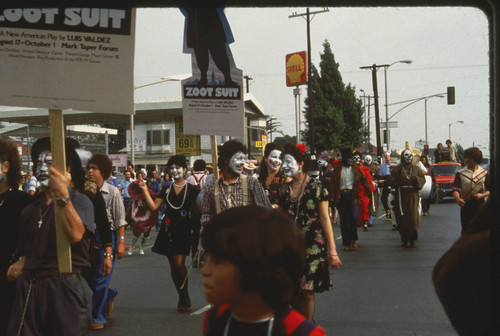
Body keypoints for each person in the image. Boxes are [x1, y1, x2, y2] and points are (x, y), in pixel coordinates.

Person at [7, 138, 94, 336]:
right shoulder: (29, 209)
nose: (42, 168)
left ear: (67, 170)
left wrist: (62, 195)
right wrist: (26, 261)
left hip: (66, 287)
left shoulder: (80, 202)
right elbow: (28, 250)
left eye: (49, 163)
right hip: (32, 287)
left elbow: (75, 235)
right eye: (38, 163)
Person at [201, 206, 327, 335]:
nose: (205, 270)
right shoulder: (215, 319)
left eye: (217, 262)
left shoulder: (301, 331)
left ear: (251, 267)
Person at [277, 143, 341, 321]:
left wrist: (333, 251)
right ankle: (298, 324)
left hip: (313, 244)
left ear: (301, 163)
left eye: (288, 162)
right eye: (283, 163)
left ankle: (307, 327)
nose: (285, 166)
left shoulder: (317, 186)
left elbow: (325, 218)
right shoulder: (284, 190)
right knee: (293, 290)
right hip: (290, 246)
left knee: (308, 290)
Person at [140, 155, 199, 312]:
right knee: (173, 265)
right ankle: (182, 297)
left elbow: (197, 211)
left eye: (177, 168)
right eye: (171, 168)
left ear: (184, 170)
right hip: (168, 230)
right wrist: (145, 190)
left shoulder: (192, 189)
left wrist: (197, 231)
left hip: (184, 229)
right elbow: (154, 207)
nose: (174, 171)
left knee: (179, 263)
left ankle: (185, 295)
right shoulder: (166, 189)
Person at [87, 153, 128, 330]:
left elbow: (120, 220)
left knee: (102, 277)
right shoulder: (84, 191)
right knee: (89, 278)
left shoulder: (112, 192)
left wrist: (120, 242)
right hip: (88, 239)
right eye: (89, 167)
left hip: (106, 239)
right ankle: (109, 295)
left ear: (103, 171)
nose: (90, 171)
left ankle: (98, 317)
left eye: (94, 168)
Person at [0, 139, 32, 335]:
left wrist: (25, 261)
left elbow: (39, 241)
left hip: (9, 280)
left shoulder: (24, 202)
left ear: (5, 166)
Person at [200, 140, 272, 227]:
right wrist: (210, 225)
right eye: (238, 159)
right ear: (226, 159)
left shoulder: (252, 183)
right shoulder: (211, 187)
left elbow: (265, 211)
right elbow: (205, 214)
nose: (242, 163)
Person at [329, 148, 371, 251]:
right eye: (346, 158)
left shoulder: (356, 168)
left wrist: (368, 189)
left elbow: (364, 180)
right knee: (343, 220)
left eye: (349, 158)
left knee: (353, 217)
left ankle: (354, 240)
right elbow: (332, 184)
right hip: (341, 196)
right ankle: (346, 243)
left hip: (353, 196)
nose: (348, 160)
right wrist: (332, 197)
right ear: (342, 159)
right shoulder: (337, 170)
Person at [388, 144, 426, 248]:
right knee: (402, 219)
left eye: (410, 156)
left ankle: (412, 239)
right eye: (406, 156)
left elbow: (422, 179)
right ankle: (404, 239)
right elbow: (391, 181)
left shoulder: (416, 169)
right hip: (400, 195)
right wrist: (399, 179)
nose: (408, 158)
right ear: (402, 157)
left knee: (413, 218)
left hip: (413, 195)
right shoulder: (397, 169)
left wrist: (416, 180)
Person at [452, 147, 490, 233]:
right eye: (466, 157)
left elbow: (490, 190)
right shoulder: (460, 173)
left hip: (480, 207)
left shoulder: (484, 173)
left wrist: (482, 195)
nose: (467, 160)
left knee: (480, 231)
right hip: (466, 206)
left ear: (476, 159)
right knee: (466, 230)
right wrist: (458, 199)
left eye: (470, 158)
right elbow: (455, 190)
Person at [127, 171, 159, 255]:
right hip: (139, 213)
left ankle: (141, 247)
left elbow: (155, 195)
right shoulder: (134, 185)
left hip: (148, 213)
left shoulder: (148, 186)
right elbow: (131, 192)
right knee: (136, 232)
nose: (140, 177)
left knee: (147, 233)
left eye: (142, 176)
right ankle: (132, 246)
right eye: (139, 176)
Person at [186, 159, 207, 263]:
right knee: (204, 232)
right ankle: (202, 258)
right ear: (205, 168)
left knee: (194, 233)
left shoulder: (189, 178)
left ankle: (194, 256)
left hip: (192, 209)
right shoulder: (207, 178)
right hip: (204, 209)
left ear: (194, 168)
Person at [257, 142, 286, 207]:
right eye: (274, 157)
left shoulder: (285, 179)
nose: (277, 161)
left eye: (280, 158)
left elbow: (285, 204)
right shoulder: (259, 179)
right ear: (266, 159)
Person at [352, 151, 374, 232]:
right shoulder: (350, 169)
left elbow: (368, 180)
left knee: (364, 208)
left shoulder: (364, 169)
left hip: (363, 191)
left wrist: (370, 189)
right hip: (353, 192)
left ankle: (364, 222)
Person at [364, 154, 379, 227]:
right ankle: (365, 219)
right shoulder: (362, 168)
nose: (368, 162)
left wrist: (376, 182)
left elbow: (378, 178)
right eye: (367, 160)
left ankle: (371, 219)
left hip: (373, 189)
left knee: (373, 203)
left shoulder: (375, 168)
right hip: (364, 189)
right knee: (365, 204)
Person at [379, 151, 393, 222]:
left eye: (388, 156)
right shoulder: (382, 166)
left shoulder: (393, 165)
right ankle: (387, 210)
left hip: (392, 184)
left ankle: (392, 214)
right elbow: (381, 175)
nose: (387, 158)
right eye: (386, 157)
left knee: (392, 199)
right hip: (385, 183)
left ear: (390, 157)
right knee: (383, 199)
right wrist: (380, 181)